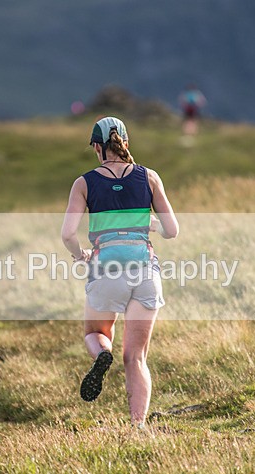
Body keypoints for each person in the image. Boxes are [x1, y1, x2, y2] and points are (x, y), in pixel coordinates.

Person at [61, 116, 179, 429]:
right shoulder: (149, 177)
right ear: (125, 143)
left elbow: (68, 234)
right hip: (145, 271)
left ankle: (102, 353)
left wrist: (81, 256)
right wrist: (150, 224)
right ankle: (138, 425)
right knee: (136, 357)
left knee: (95, 333)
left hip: (106, 270)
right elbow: (172, 230)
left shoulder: (84, 183)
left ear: (97, 147)